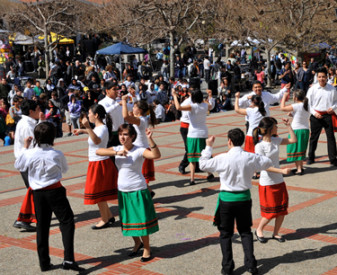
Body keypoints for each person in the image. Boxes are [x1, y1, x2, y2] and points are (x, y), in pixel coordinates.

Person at [199, 128, 274, 275]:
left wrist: (208, 147)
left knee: (225, 234)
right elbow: (267, 162)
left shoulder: (223, 158)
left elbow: (203, 165)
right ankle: (251, 265)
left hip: (226, 199)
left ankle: (227, 267)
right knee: (245, 231)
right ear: (243, 142)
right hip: (244, 198)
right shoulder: (249, 157)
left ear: (229, 141)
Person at [14, 122, 84, 272]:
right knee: (67, 222)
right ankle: (69, 259)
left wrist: (26, 147)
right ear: (52, 137)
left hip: (38, 193)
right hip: (55, 190)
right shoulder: (56, 154)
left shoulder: (29, 153)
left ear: (36, 137)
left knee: (42, 226)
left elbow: (19, 166)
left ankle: (44, 262)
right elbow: (64, 169)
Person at [96, 124, 160, 262]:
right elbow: (99, 151)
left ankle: (147, 248)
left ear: (132, 136)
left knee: (141, 221)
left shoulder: (139, 150)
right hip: (123, 191)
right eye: (120, 134)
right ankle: (137, 243)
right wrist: (116, 153)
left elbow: (156, 155)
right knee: (128, 220)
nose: (122, 137)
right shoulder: (117, 149)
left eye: (125, 134)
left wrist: (150, 139)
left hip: (138, 189)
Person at [74, 104, 118, 229]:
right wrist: (83, 130)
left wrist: (87, 127)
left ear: (96, 115)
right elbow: (94, 135)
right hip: (96, 162)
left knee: (98, 194)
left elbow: (97, 141)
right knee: (99, 194)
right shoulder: (98, 128)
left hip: (100, 162)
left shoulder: (102, 128)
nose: (88, 116)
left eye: (89, 113)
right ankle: (108, 216)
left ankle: (105, 219)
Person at [253, 117, 296, 243]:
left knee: (282, 210)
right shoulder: (259, 146)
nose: (277, 128)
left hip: (279, 181)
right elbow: (264, 167)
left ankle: (276, 233)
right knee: (270, 212)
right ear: (270, 129)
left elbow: (293, 140)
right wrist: (282, 171)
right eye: (276, 126)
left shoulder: (275, 140)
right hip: (267, 182)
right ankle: (259, 229)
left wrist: (289, 126)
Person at [13, 99, 43, 232]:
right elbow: (36, 143)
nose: (40, 111)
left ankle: (33, 215)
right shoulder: (26, 125)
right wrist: (42, 123)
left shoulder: (27, 122)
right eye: (37, 109)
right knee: (34, 190)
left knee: (34, 190)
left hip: (27, 161)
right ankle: (22, 219)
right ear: (31, 111)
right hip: (28, 162)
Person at [172, 89, 214, 185]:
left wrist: (174, 95)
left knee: (192, 157)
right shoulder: (205, 105)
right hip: (203, 132)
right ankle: (209, 173)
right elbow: (211, 106)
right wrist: (210, 96)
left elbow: (178, 107)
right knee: (204, 154)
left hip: (193, 133)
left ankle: (192, 179)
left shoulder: (192, 106)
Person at [121, 96, 157, 194]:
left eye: (134, 107)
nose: (133, 108)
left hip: (141, 150)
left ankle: (146, 193)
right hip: (142, 148)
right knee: (138, 173)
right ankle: (149, 192)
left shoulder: (141, 120)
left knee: (138, 174)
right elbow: (129, 118)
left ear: (140, 110)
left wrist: (124, 102)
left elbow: (125, 117)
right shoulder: (142, 119)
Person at [306, 67, 337, 166]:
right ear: (317, 77)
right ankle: (311, 157)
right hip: (316, 116)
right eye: (319, 77)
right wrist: (314, 113)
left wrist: (333, 108)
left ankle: (333, 159)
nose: (321, 79)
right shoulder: (312, 89)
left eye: (323, 77)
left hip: (328, 115)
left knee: (331, 137)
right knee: (314, 137)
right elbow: (307, 104)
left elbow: (336, 101)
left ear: (327, 77)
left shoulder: (332, 88)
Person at [280, 90, 310, 175]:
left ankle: (299, 169)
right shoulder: (306, 105)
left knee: (295, 149)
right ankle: (299, 167)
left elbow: (282, 108)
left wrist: (284, 96)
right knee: (300, 149)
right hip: (305, 129)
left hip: (296, 130)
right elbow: (301, 115)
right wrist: (293, 115)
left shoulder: (296, 105)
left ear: (295, 98)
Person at [99, 81, 124, 147]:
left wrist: (133, 97)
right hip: (110, 135)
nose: (116, 91)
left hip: (121, 134)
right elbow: (105, 112)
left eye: (117, 89)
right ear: (107, 91)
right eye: (114, 89)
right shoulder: (102, 102)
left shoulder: (118, 101)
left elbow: (131, 107)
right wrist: (117, 104)